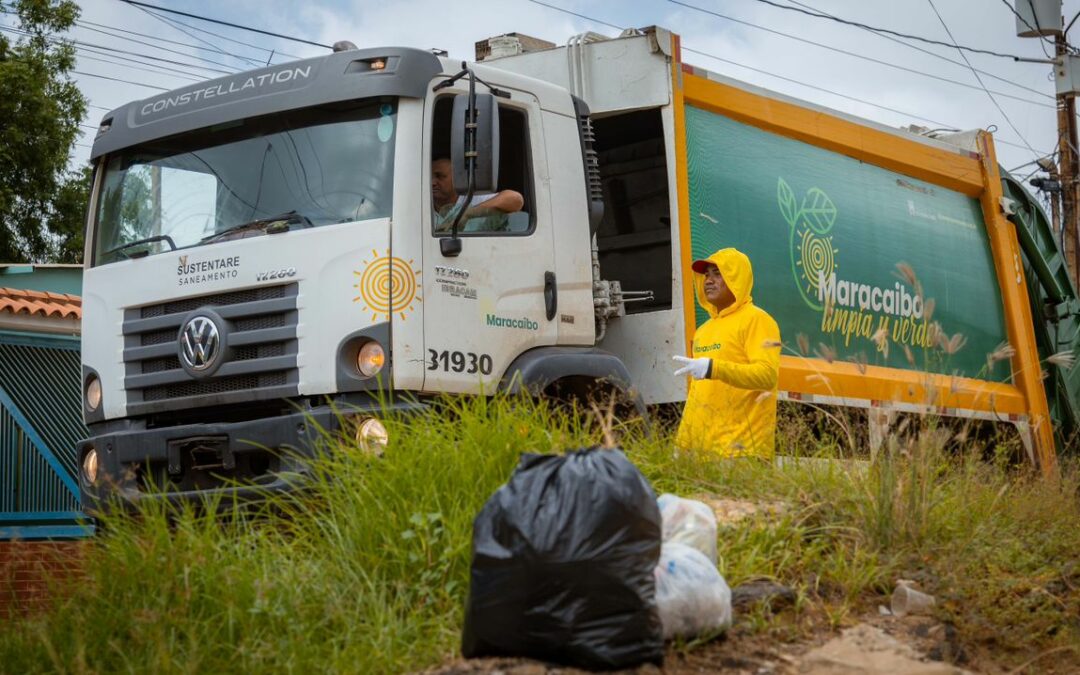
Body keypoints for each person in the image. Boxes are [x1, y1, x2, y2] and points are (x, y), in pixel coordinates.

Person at [673, 248, 781, 459]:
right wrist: (682, 444)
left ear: (737, 278)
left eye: (717, 273)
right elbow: (697, 395)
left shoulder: (757, 320)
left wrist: (713, 368)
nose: (708, 281)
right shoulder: (704, 330)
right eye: (706, 275)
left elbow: (767, 375)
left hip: (743, 454)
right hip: (703, 456)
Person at [431, 157, 524, 233]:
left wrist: (468, 214)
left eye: (439, 176)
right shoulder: (420, 205)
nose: (432, 182)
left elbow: (515, 199)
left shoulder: (474, 199)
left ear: (458, 179)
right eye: (430, 177)